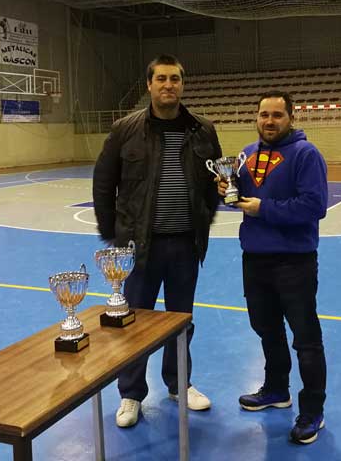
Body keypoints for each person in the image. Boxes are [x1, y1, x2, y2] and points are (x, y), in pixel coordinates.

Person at [93, 54, 222, 428]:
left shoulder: (203, 130)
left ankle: (179, 384)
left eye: (175, 79)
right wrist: (114, 236)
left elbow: (215, 183)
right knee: (134, 321)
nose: (169, 85)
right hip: (139, 248)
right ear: (149, 84)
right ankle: (131, 393)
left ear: (183, 84)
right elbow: (104, 183)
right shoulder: (125, 130)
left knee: (181, 321)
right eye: (161, 79)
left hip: (185, 246)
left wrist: (202, 223)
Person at [217, 90, 328, 445]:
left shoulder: (306, 154)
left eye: (277, 115)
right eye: (264, 114)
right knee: (266, 329)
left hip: (294, 261)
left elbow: (314, 206)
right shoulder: (247, 154)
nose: (269, 121)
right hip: (255, 259)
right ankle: (277, 388)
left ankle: (312, 410)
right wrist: (227, 191)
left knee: (306, 339)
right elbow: (241, 197)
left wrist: (262, 209)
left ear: (291, 117)